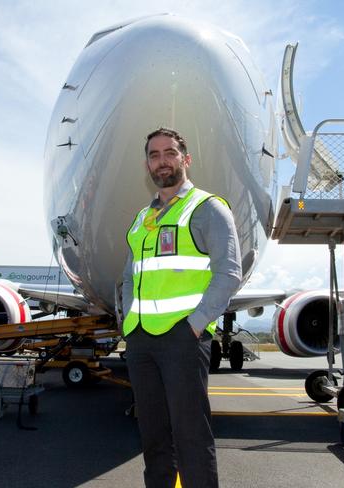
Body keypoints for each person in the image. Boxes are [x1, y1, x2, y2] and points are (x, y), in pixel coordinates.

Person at [121, 128, 242, 488]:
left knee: (191, 437)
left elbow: (229, 273)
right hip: (141, 340)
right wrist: (128, 322)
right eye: (155, 155)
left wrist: (196, 324)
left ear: (185, 160)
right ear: (147, 164)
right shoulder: (143, 218)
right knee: (153, 437)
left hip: (182, 339)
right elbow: (129, 275)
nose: (162, 161)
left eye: (170, 153)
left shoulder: (207, 208)